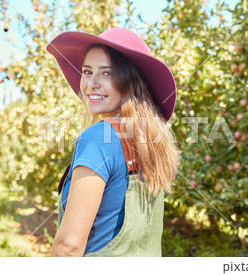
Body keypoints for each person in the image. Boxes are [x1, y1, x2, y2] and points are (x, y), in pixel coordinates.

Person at [46, 28, 180, 257]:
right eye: (87, 71)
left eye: (106, 73)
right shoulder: (151, 144)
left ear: (130, 81)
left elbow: (68, 248)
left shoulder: (98, 138)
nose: (91, 83)